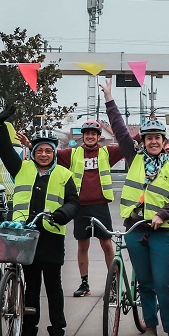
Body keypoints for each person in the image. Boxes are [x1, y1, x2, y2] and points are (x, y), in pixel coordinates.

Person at [0, 105, 79, 336]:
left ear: (54, 153)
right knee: (30, 285)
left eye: (47, 151)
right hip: (24, 234)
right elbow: (4, 149)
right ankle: (29, 327)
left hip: (51, 236)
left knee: (53, 286)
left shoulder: (64, 175)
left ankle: (57, 329)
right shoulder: (21, 168)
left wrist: (63, 214)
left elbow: (73, 202)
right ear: (33, 152)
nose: (43, 154)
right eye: (39, 150)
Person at [106, 100, 169, 336]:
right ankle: (151, 327)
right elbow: (119, 130)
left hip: (161, 232)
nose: (153, 141)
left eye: (157, 138)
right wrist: (109, 99)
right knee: (146, 282)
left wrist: (163, 214)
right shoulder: (134, 158)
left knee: (163, 282)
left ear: (163, 142)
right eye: (148, 137)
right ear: (143, 141)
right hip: (135, 230)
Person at [59, 103, 127, 299]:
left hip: (100, 206)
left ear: (99, 137)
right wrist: (30, 146)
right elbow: (47, 154)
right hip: (80, 207)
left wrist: (143, 134)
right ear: (83, 136)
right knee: (83, 245)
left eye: (94, 134)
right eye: (87, 133)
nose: (90, 136)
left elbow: (127, 142)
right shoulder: (72, 154)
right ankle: (84, 283)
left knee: (106, 243)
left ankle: (113, 284)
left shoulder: (107, 152)